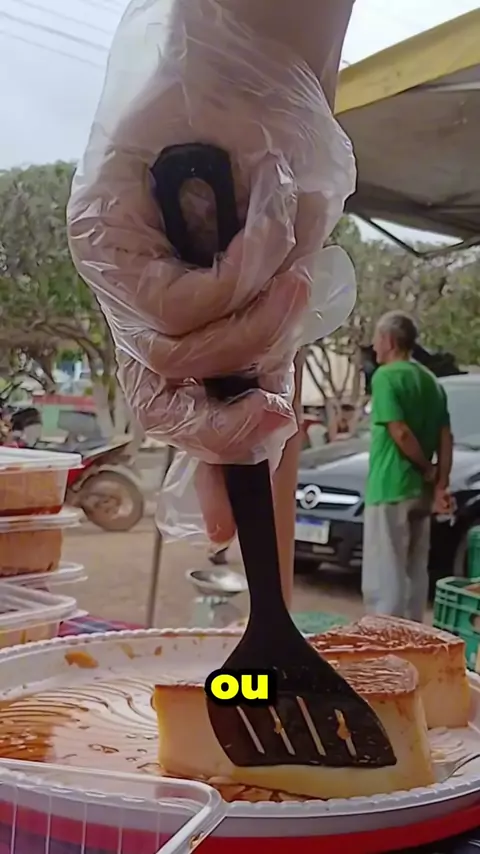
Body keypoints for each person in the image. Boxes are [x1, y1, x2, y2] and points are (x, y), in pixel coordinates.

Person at [362, 311, 453, 622]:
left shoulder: (385, 377)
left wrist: (426, 466)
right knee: (414, 572)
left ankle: (384, 638)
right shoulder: (431, 382)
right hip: (420, 492)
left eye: (377, 339)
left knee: (385, 575)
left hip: (389, 486)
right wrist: (440, 482)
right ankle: (414, 634)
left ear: (389, 341)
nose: (374, 346)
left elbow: (399, 431)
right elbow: (445, 437)